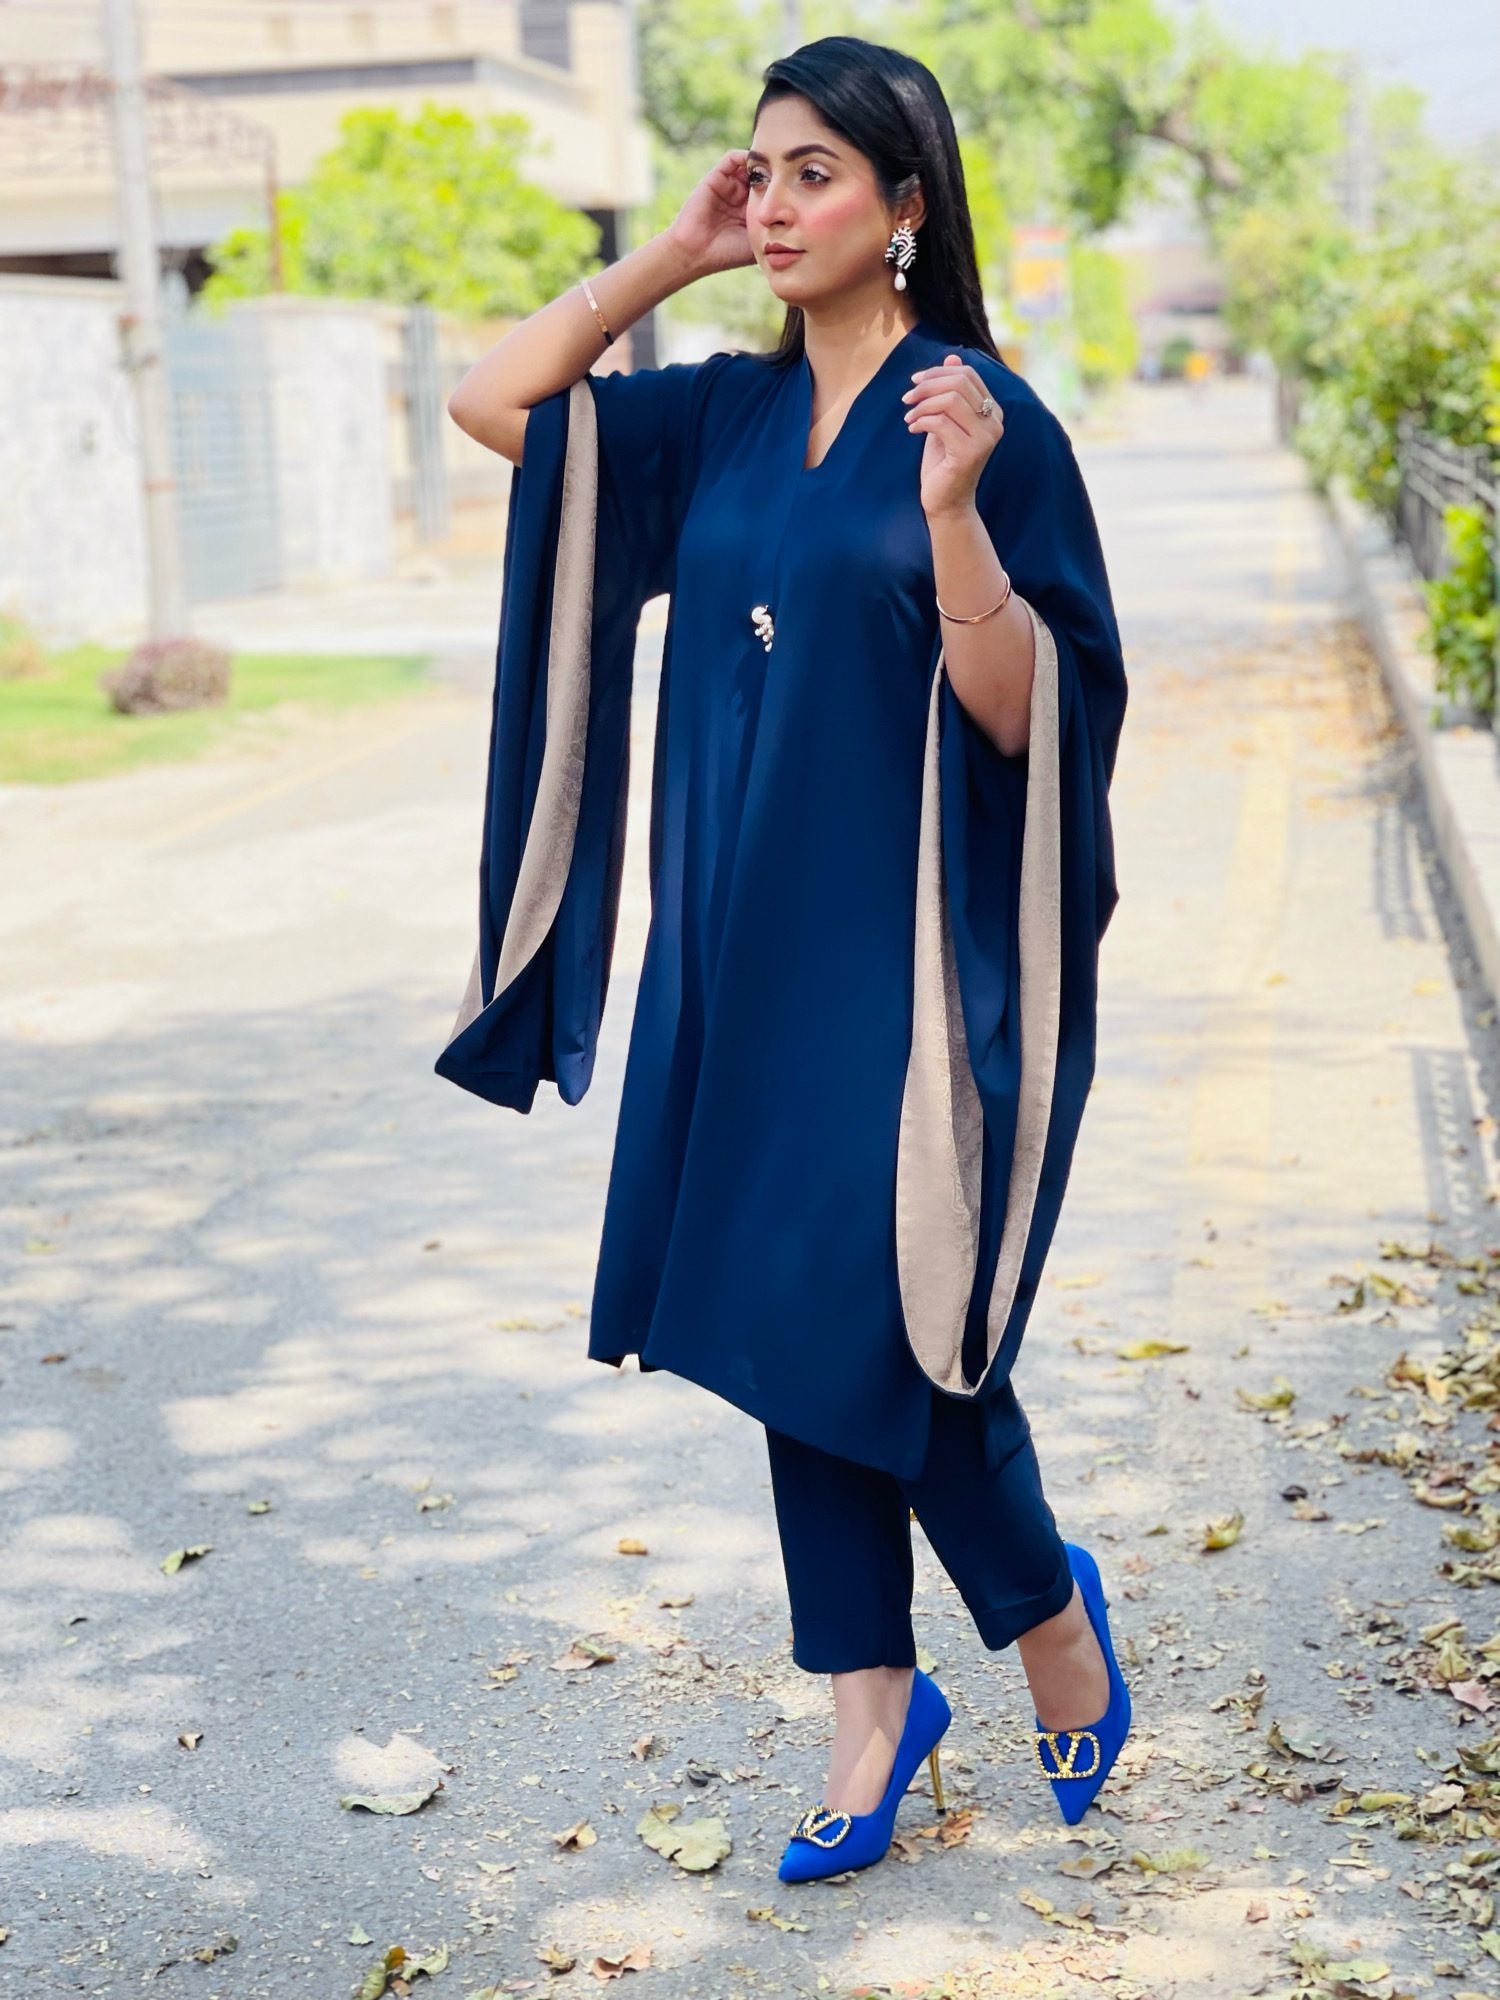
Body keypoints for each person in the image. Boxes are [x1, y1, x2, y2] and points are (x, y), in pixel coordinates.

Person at [439, 34, 1131, 1883]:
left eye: (815, 172)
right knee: (773, 1309)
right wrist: (666, 256)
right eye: (758, 171)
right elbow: (494, 405)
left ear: (905, 206)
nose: (775, 204)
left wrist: (957, 518)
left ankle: (1034, 1619)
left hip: (896, 961)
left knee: (880, 1304)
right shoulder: (720, 418)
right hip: (731, 943)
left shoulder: (976, 416)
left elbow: (1033, 718)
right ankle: (878, 1697)